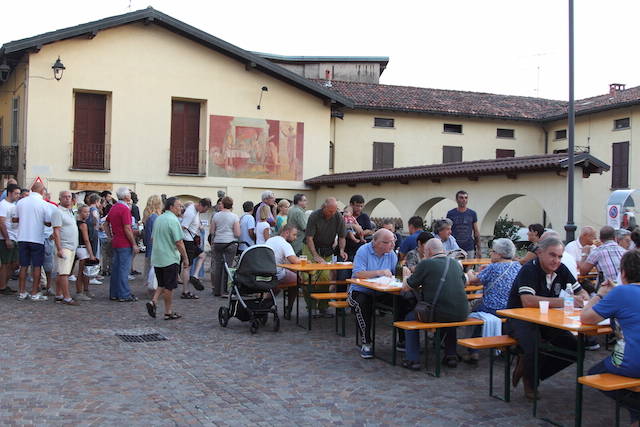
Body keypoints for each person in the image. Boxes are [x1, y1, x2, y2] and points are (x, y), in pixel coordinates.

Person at [507, 237, 590, 400]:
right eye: (552, 255)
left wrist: (582, 298)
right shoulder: (529, 270)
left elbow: (582, 292)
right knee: (535, 346)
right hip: (520, 319)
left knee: (575, 347)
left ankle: (533, 373)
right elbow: (527, 301)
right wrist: (566, 301)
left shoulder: (561, 269)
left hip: (548, 320)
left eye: (559, 256)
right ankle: (529, 381)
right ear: (540, 253)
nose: (556, 260)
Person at [581, 250, 640, 426]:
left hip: (632, 362)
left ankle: (637, 409)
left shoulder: (620, 293)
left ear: (623, 273)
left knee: (594, 374)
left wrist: (600, 294)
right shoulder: (621, 293)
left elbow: (586, 318)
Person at [401, 239, 469, 370]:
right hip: (462, 312)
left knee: (409, 318)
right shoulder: (455, 263)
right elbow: (465, 282)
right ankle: (451, 355)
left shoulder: (426, 263)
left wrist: (405, 275)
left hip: (438, 313)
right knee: (449, 314)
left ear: (428, 251)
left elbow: (406, 287)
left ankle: (412, 359)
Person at [348, 229, 407, 358]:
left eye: (393, 241)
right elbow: (358, 273)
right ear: (375, 242)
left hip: (382, 291)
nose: (391, 245)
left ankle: (403, 340)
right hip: (361, 290)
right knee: (363, 304)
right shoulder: (363, 251)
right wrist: (379, 272)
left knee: (404, 301)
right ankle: (366, 342)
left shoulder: (391, 254)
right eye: (387, 242)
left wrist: (403, 272)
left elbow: (393, 274)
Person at [464, 238, 521, 363]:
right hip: (510, 308)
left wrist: (469, 271)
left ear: (499, 254)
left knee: (473, 312)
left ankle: (473, 351)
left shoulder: (494, 268)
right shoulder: (517, 266)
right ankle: (505, 348)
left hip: (492, 307)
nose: (491, 253)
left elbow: (474, 281)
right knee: (484, 316)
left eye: (493, 251)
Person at [146, 197, 189, 321]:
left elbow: (152, 238)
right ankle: (168, 312)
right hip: (169, 258)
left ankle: (153, 301)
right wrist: (185, 258)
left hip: (158, 257)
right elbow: (179, 242)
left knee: (162, 283)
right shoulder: (173, 220)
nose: (181, 208)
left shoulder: (159, 218)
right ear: (171, 207)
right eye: (179, 206)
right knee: (169, 287)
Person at [303, 197, 348, 316]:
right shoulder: (314, 216)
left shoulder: (338, 217)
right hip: (310, 247)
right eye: (329, 211)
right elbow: (309, 238)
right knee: (309, 277)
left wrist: (342, 250)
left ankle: (323, 306)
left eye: (334, 211)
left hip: (326, 249)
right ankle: (311, 306)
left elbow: (342, 236)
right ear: (324, 207)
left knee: (324, 278)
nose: (332, 214)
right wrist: (315, 255)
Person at [15, 182, 52, 301]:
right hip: (37, 238)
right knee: (37, 266)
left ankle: (21, 291)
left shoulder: (21, 202)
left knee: (23, 266)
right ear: (42, 192)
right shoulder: (43, 204)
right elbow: (48, 222)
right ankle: (34, 292)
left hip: (22, 237)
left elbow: (15, 219)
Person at [104, 187, 138, 302]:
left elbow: (105, 223)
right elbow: (127, 228)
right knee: (124, 270)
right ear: (126, 196)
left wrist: (110, 237)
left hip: (116, 241)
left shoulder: (114, 207)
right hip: (124, 242)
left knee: (116, 269)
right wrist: (134, 243)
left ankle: (114, 293)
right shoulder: (125, 209)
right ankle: (124, 294)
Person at [51, 191, 80, 305]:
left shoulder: (70, 211)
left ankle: (59, 294)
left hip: (71, 246)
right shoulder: (58, 212)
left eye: (69, 197)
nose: (67, 199)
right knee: (64, 273)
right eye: (65, 197)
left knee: (62, 272)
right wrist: (59, 249)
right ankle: (67, 297)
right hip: (64, 246)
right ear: (60, 198)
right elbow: (56, 232)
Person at [265, 224, 301, 315]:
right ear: (287, 232)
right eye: (294, 234)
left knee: (277, 287)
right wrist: (306, 261)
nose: (295, 238)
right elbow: (294, 261)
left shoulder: (270, 240)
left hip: (266, 272)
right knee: (297, 280)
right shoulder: (285, 244)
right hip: (277, 273)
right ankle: (289, 308)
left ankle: (265, 305)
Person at [180, 198, 211, 298]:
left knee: (202, 255)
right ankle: (185, 291)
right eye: (206, 210)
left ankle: (195, 276)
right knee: (187, 266)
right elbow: (183, 227)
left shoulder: (194, 209)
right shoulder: (191, 212)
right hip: (187, 241)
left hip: (191, 240)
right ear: (203, 206)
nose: (205, 212)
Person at [210, 196, 240, 297]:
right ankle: (225, 291)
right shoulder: (234, 216)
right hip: (230, 242)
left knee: (218, 266)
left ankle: (216, 290)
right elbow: (237, 233)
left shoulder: (216, 216)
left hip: (218, 242)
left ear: (222, 204)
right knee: (228, 266)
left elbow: (212, 231)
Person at [446, 190, 480, 257]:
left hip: (469, 247)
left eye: (466, 198)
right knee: (456, 267)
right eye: (461, 197)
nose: (464, 200)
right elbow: (447, 230)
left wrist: (479, 249)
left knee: (470, 267)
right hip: (455, 247)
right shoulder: (450, 214)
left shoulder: (472, 213)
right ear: (457, 199)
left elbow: (476, 232)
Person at [0, 183, 20, 294]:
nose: (18, 196)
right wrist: (6, 238)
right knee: (5, 263)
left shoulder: (14, 205)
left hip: (15, 237)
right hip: (6, 238)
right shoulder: (3, 205)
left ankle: (4, 284)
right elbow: (1, 223)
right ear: (9, 193)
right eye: (16, 193)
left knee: (14, 263)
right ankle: (2, 287)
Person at [75, 205, 97, 301]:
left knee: (85, 272)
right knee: (82, 272)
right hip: (83, 248)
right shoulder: (83, 224)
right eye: (85, 212)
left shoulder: (76, 223)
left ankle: (85, 290)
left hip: (80, 248)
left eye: (88, 212)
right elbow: (86, 240)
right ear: (80, 212)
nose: (87, 214)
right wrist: (91, 254)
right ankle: (80, 291)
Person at [142, 195, 163, 288]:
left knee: (149, 270)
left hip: (149, 247)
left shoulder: (148, 216)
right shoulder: (155, 217)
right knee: (153, 271)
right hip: (154, 247)